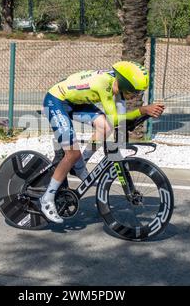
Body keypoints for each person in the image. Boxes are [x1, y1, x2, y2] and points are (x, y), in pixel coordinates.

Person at [41, 61, 165, 223]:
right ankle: (47, 199)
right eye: (134, 91)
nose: (136, 96)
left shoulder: (118, 86)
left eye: (139, 92)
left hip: (75, 102)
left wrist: (143, 116)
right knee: (72, 153)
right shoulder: (103, 84)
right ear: (125, 83)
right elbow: (115, 118)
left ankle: (79, 166)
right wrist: (142, 110)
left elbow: (117, 122)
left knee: (105, 127)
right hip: (56, 101)